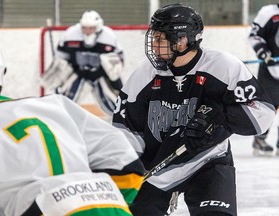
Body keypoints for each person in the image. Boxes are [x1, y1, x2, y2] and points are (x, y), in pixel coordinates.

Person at [112, 3, 275, 216]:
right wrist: (125, 170)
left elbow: (263, 111)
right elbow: (123, 129)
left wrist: (220, 122)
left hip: (208, 162)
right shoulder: (144, 77)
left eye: (160, 39)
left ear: (182, 41)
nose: (153, 45)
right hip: (156, 169)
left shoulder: (223, 67)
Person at [0, 37, 144, 216]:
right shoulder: (57, 105)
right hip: (110, 208)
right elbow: (127, 165)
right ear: (2, 73)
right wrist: (92, 199)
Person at [42, 10, 124, 117]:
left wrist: (112, 77)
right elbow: (61, 57)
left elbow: (119, 59)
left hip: (100, 75)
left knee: (112, 103)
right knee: (65, 101)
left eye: (91, 28)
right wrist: (62, 74)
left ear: (98, 27)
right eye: (85, 28)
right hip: (79, 73)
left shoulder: (108, 36)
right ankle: (57, 120)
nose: (87, 31)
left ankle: (122, 121)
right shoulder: (71, 34)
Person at [248, 4, 279, 156]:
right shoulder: (269, 13)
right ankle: (260, 139)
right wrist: (263, 53)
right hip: (270, 70)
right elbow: (255, 35)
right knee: (268, 106)